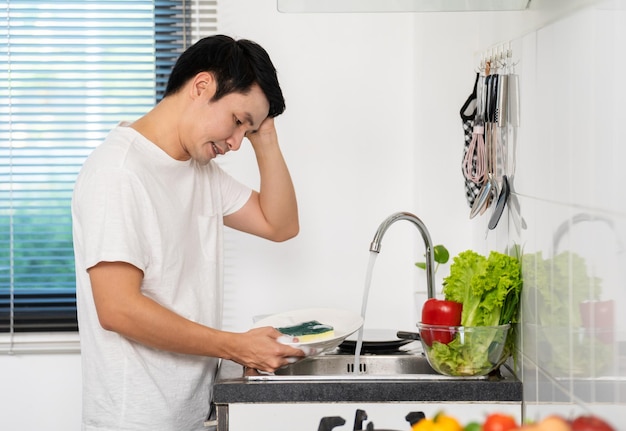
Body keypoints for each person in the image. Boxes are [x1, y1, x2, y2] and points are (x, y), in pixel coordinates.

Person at [71, 34, 305, 430]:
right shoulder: (120, 172)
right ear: (201, 86)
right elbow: (117, 308)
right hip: (136, 421)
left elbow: (280, 225)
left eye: (245, 132)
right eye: (237, 121)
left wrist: (264, 136)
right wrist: (235, 345)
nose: (234, 144)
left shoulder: (200, 173)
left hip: (191, 416)